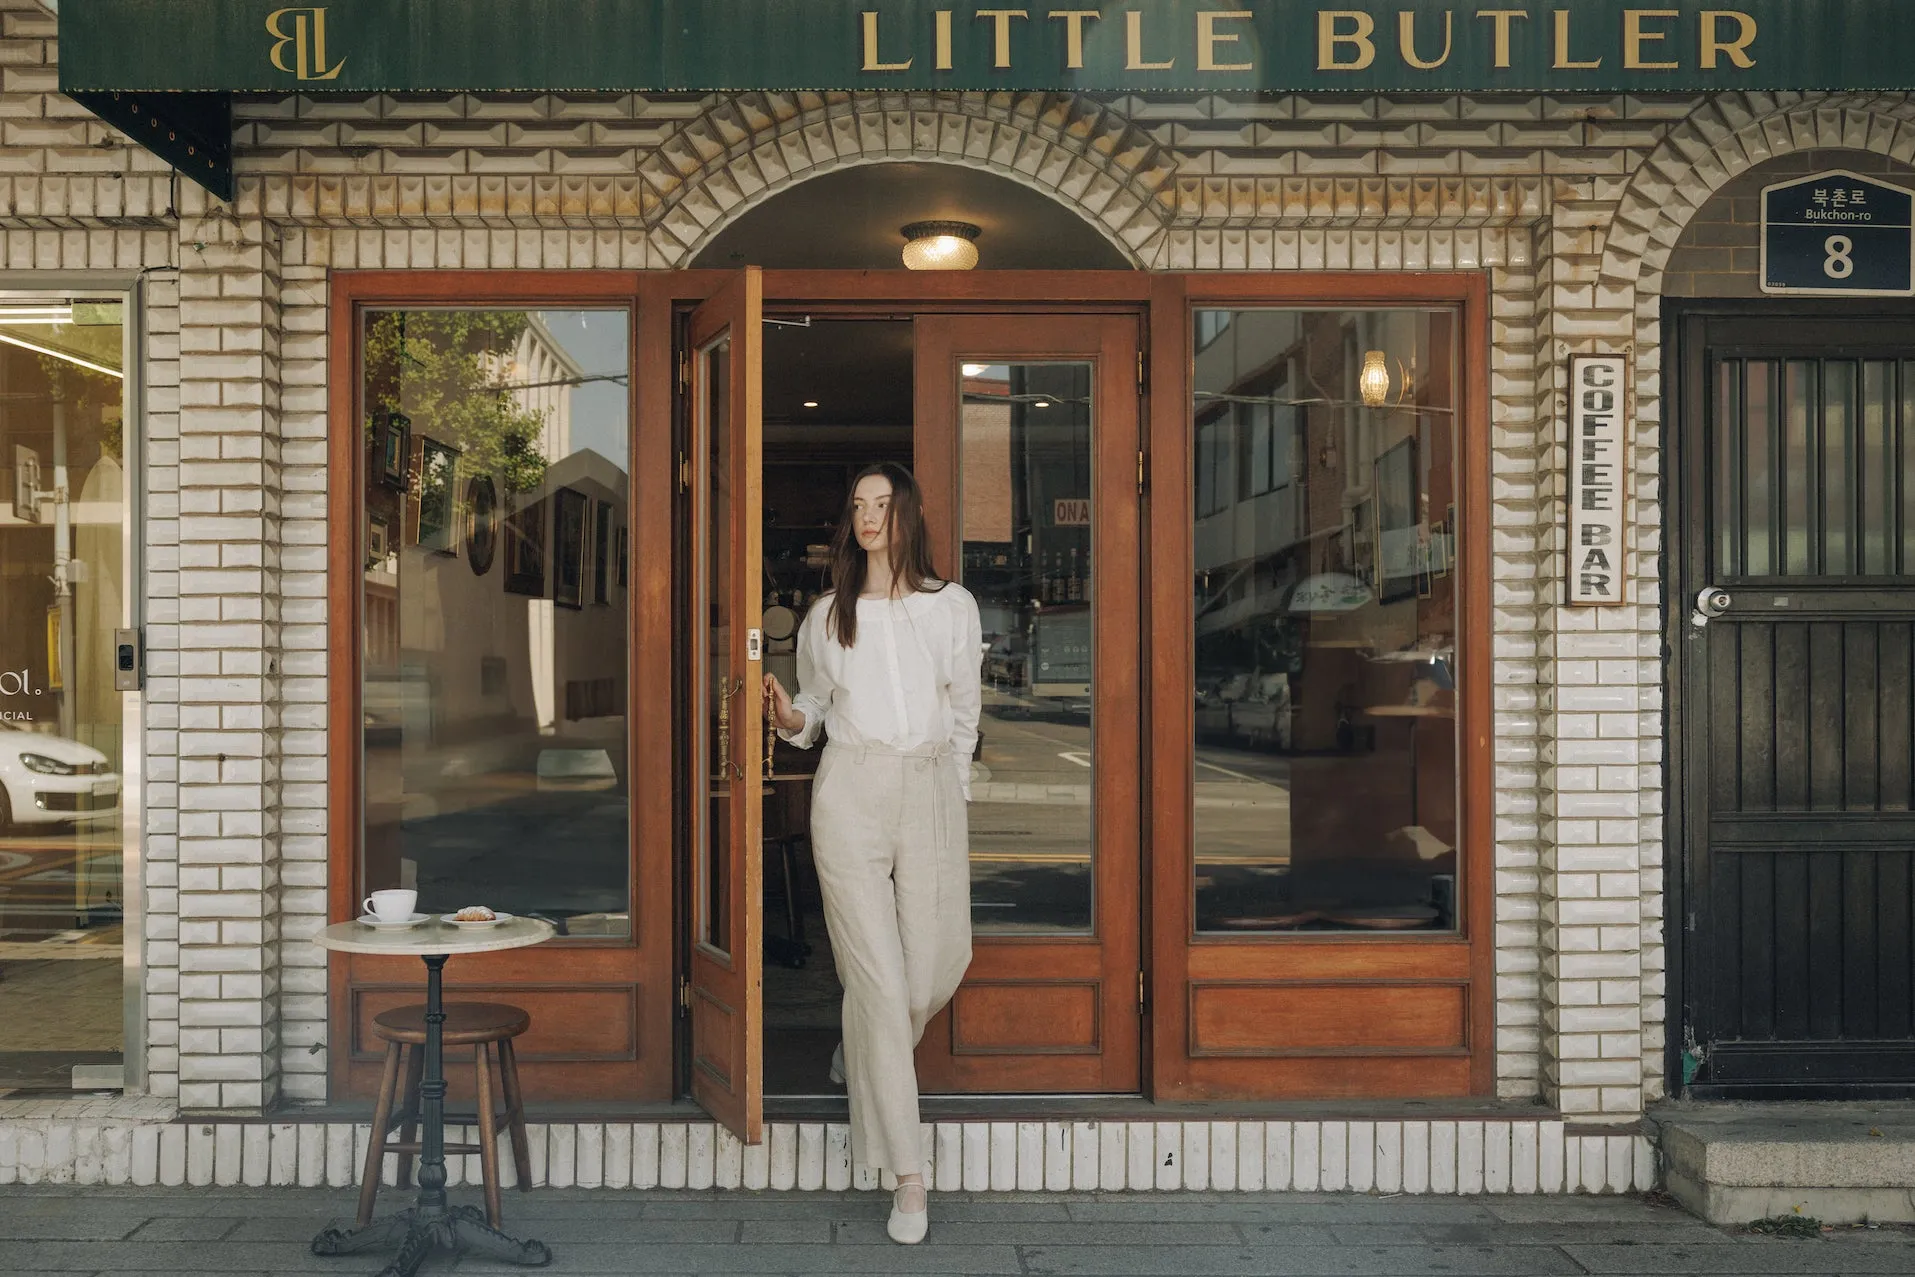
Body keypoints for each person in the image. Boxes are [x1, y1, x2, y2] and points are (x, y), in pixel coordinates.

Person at [763, 462, 981, 1245]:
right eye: (856, 505)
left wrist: (950, 794)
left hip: (926, 789)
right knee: (882, 985)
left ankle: (855, 1050)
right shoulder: (827, 614)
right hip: (849, 792)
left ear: (907, 514)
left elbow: (964, 712)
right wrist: (790, 716)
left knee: (935, 964)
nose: (867, 516)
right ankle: (908, 1176)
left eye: (881, 504)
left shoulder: (952, 607)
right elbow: (815, 712)